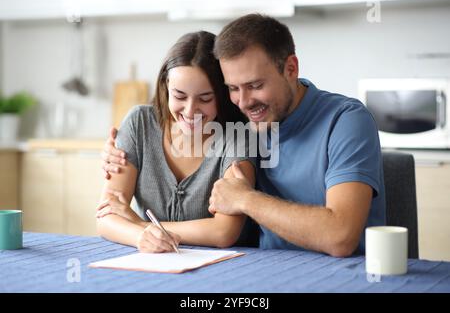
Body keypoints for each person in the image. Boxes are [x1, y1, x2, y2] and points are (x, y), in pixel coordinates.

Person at [103, 14, 385, 257]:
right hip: (264, 270)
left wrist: (245, 199)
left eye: (255, 85)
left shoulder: (345, 121)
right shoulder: (246, 122)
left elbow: (340, 237)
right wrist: (117, 153)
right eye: (233, 89)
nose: (243, 101)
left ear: (291, 69)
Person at [97, 31, 256, 253]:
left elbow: (223, 232)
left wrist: (141, 225)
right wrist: (139, 237)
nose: (190, 111)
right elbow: (106, 215)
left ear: (221, 94)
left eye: (205, 98)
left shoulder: (237, 135)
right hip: (157, 262)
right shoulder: (139, 123)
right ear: (165, 87)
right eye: (180, 96)